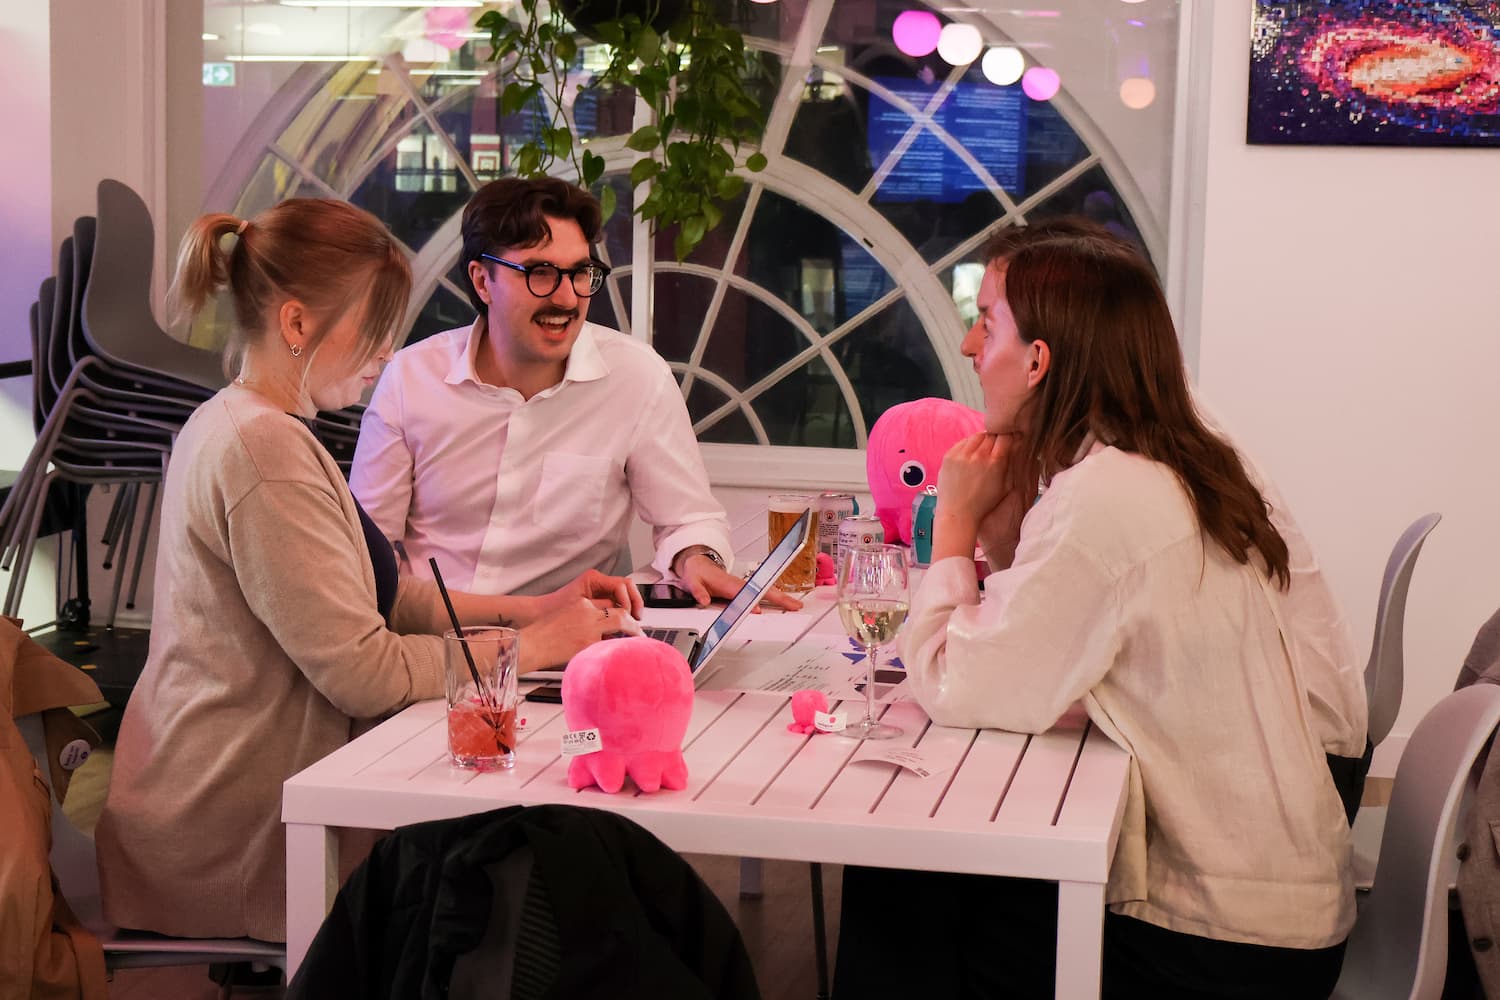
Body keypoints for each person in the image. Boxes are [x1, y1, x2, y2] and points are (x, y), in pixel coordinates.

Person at [834, 218, 1367, 998]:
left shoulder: (1110, 494)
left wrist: (952, 526)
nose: (970, 348)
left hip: (1227, 942)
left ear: (1040, 359)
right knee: (925, 880)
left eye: (987, 322)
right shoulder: (1164, 456)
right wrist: (1008, 528)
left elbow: (959, 684)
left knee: (901, 876)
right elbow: (1052, 642)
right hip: (1273, 896)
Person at [96, 199, 641, 944]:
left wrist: (539, 610)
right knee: (525, 859)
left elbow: (380, 596)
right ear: (296, 325)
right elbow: (362, 669)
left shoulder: (251, 423)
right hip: (235, 832)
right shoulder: (267, 453)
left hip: (217, 799)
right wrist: (540, 648)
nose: (386, 356)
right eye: (374, 333)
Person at [350, 177, 798, 611]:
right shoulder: (410, 380)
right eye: (540, 273)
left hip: (574, 645)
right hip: (438, 642)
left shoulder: (636, 377)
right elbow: (367, 545)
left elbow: (688, 519)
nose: (567, 298)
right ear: (483, 281)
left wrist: (697, 557)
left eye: (580, 272)